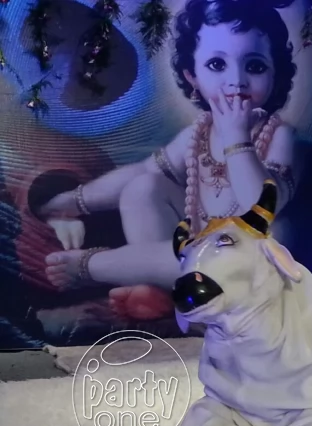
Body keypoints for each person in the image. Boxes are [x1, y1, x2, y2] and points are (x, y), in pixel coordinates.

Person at [37, 0, 298, 320]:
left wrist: (237, 140)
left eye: (255, 66)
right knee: (144, 187)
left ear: (276, 75)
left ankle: (93, 267)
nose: (237, 80)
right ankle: (163, 293)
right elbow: (142, 171)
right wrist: (74, 202)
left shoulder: (281, 136)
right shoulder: (198, 133)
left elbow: (260, 206)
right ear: (192, 76)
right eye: (217, 65)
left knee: (241, 248)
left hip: (245, 269)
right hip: (193, 254)